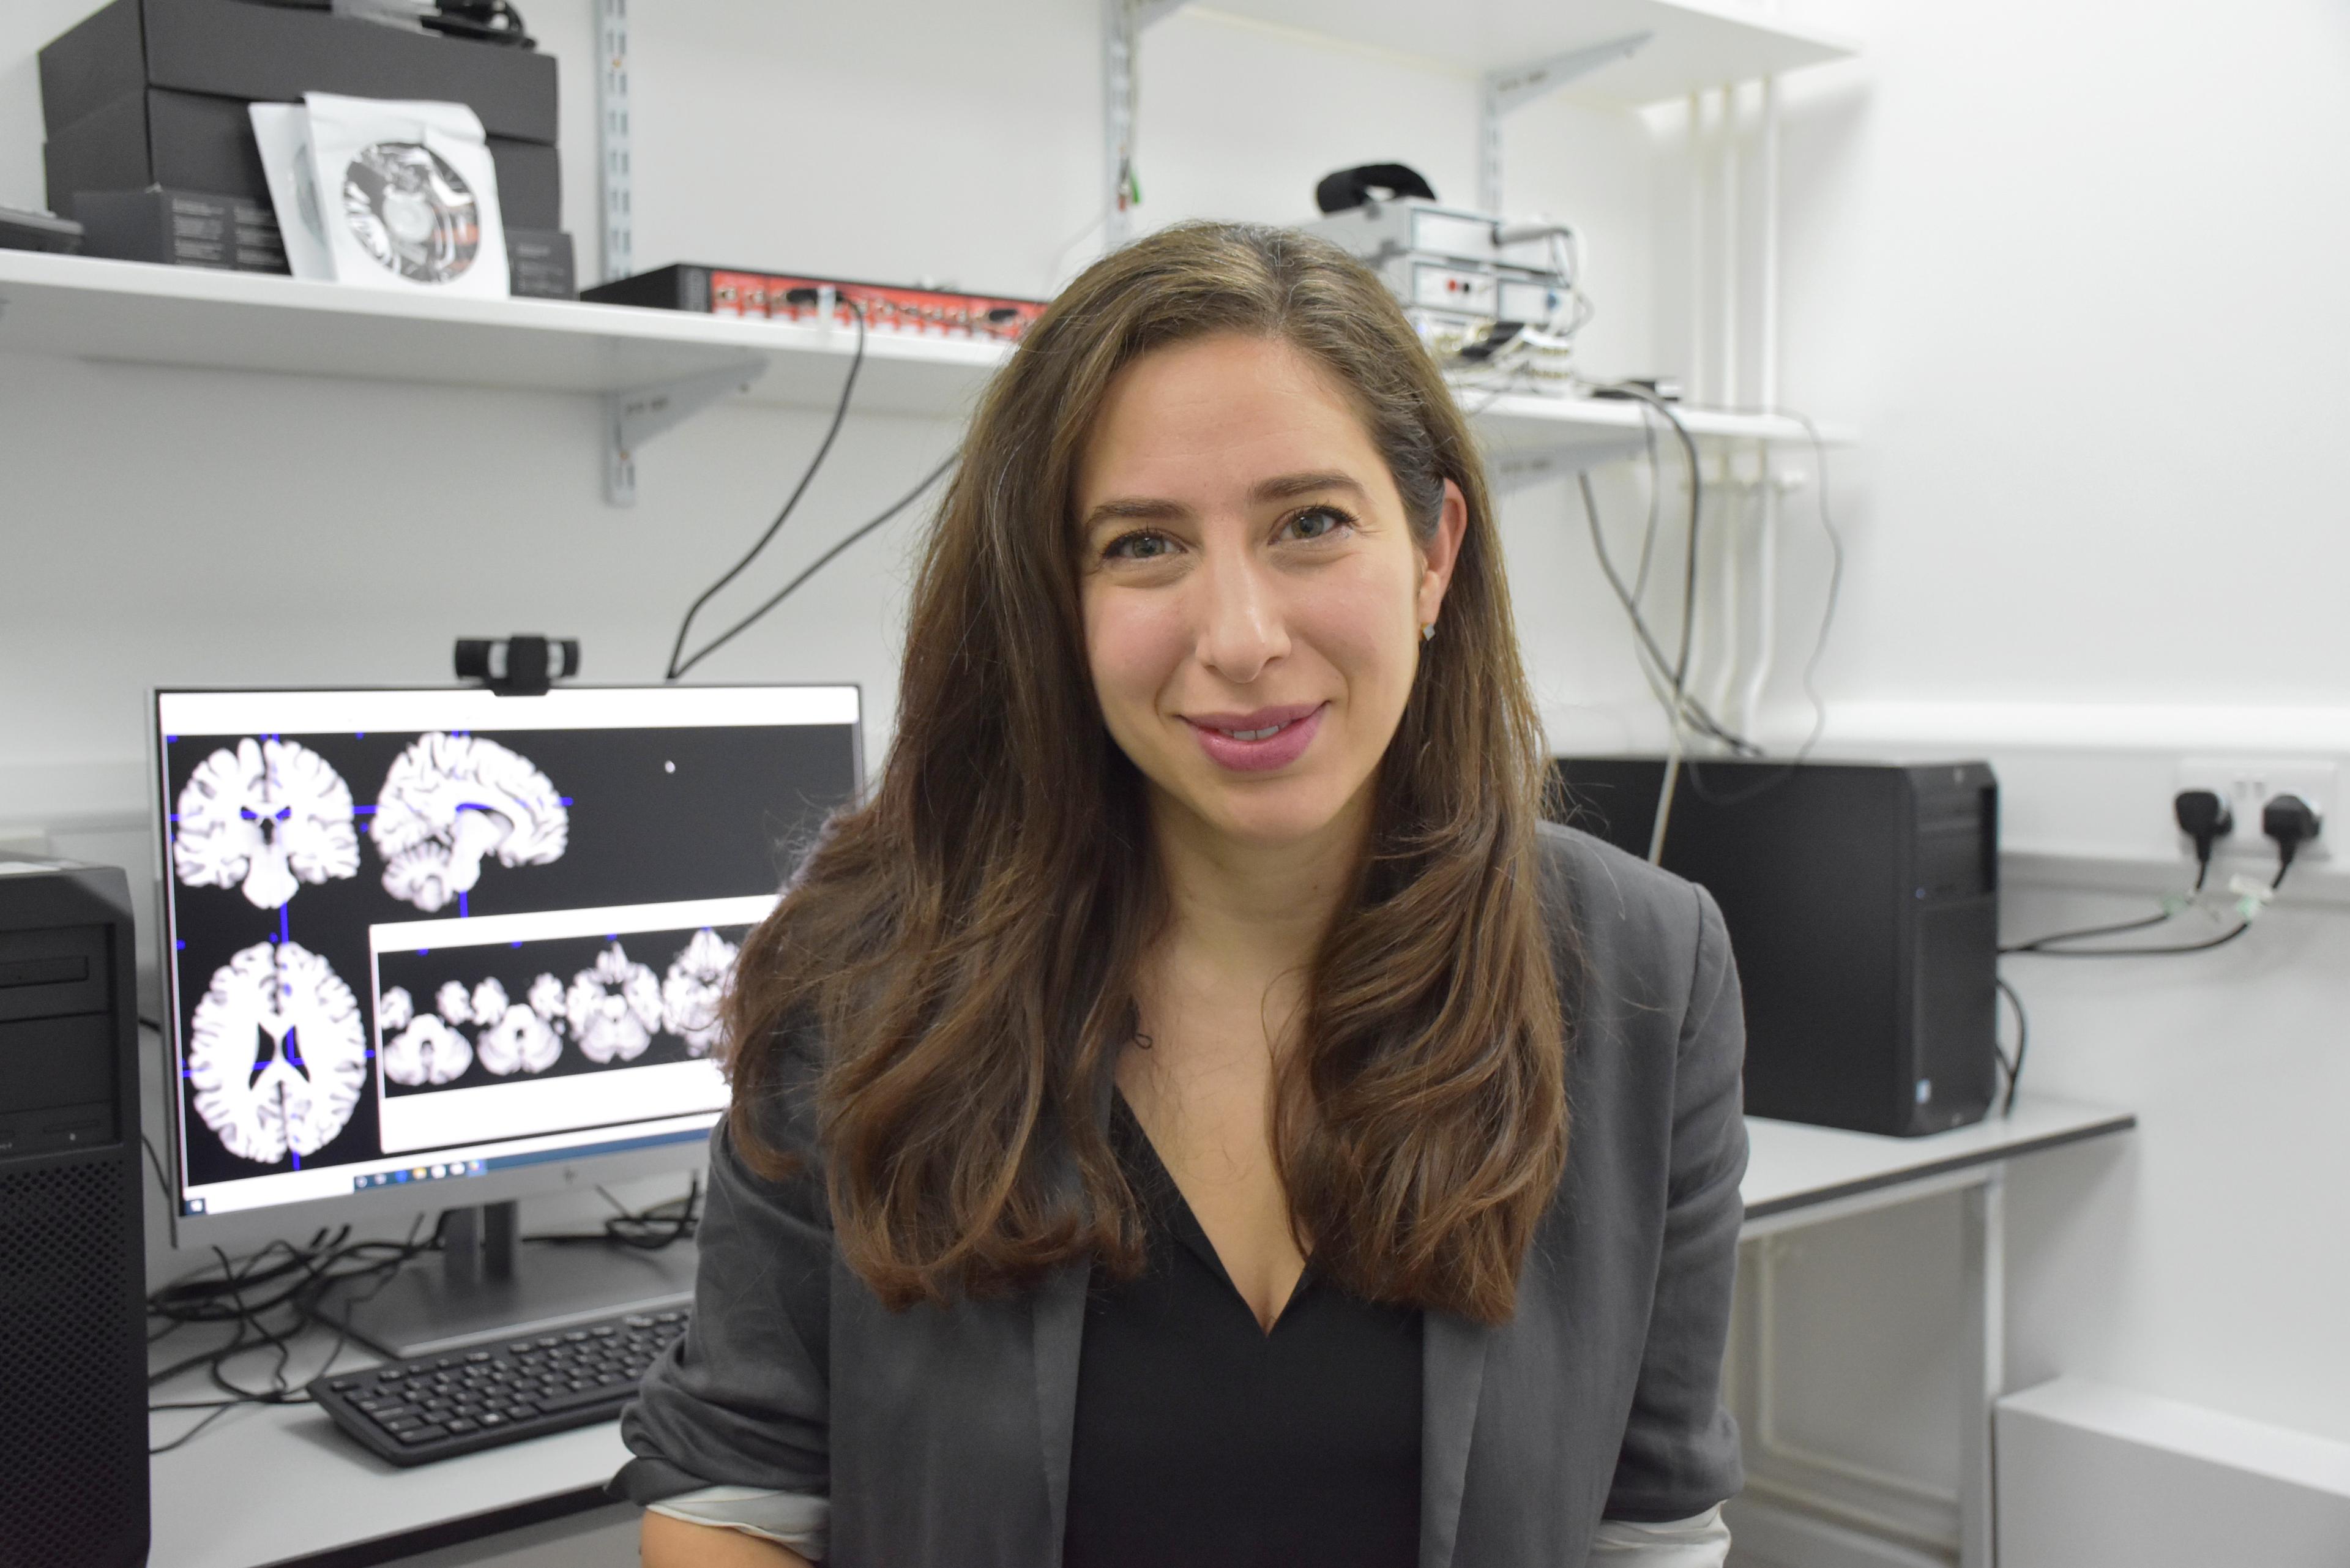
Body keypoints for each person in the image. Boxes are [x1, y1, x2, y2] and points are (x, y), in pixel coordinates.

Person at [622, 221, 1748, 1567]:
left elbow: (1651, 1523)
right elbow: (734, 1500)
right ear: (1058, 597)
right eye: (1145, 545)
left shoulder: (1645, 972)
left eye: (1312, 524)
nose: (1241, 639)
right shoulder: (865, 974)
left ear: (1435, 550)